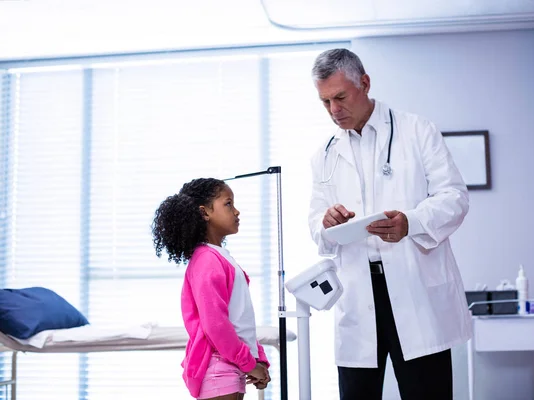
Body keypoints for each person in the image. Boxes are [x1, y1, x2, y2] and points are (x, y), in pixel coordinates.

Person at [308, 48, 472, 400]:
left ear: (364, 83)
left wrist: (410, 222)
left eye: (340, 97)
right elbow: (315, 221)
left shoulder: (417, 131)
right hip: (357, 295)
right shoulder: (324, 153)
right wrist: (326, 223)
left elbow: (454, 197)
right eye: (325, 102)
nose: (334, 111)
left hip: (414, 291)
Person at [152, 178, 270, 400]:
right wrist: (249, 363)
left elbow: (241, 319)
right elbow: (216, 326)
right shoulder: (207, 259)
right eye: (228, 204)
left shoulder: (221, 258)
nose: (237, 211)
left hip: (230, 368)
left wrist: (257, 360)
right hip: (218, 370)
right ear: (204, 212)